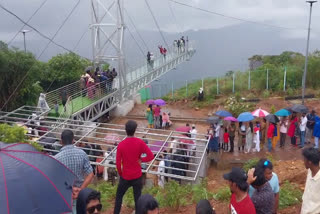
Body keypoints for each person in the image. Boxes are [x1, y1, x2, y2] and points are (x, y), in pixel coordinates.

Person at [114, 120, 154, 214]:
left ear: (125, 130)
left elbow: (118, 163)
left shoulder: (121, 145)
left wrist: (121, 174)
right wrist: (141, 160)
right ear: (135, 130)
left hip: (125, 176)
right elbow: (151, 156)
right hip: (137, 176)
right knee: (138, 199)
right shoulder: (140, 142)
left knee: (119, 196)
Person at [55, 130, 94, 213]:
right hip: (80, 193)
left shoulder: (56, 158)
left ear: (61, 141)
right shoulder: (82, 154)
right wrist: (80, 189)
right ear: (73, 140)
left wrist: (71, 189)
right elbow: (90, 174)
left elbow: (56, 179)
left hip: (65, 193)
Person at [301, 147, 320, 214]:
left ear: (309, 162)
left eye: (304, 159)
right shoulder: (310, 171)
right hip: (304, 210)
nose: (303, 161)